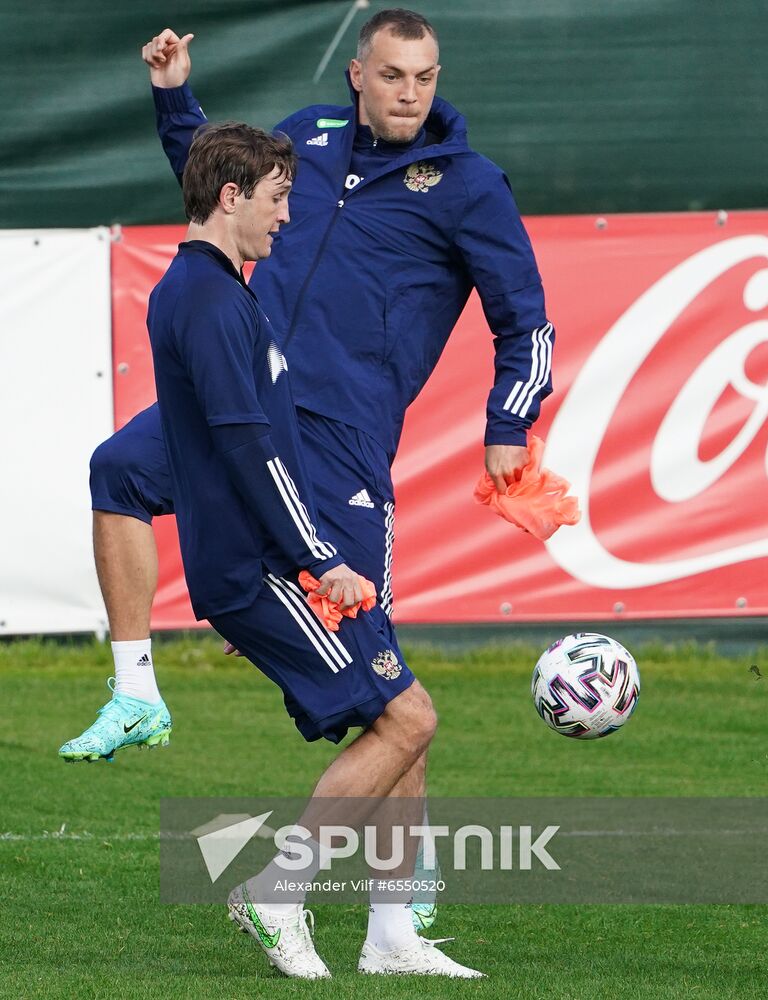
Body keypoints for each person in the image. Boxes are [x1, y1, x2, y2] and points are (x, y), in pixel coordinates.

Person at [61, 9, 552, 914]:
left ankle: (398, 910)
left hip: (338, 445)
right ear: (357, 74)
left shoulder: (469, 185)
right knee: (116, 471)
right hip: (239, 402)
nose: (411, 92)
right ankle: (135, 690)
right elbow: (224, 196)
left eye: (426, 77)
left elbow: (527, 321)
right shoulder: (310, 136)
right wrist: (175, 100)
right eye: (394, 74)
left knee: (386, 687)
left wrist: (508, 422)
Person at [144, 119, 482, 979]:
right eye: (278, 197)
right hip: (266, 565)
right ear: (231, 197)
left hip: (254, 563)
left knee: (400, 721)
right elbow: (247, 448)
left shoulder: (207, 288)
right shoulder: (213, 301)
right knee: (410, 717)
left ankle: (391, 936)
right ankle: (277, 891)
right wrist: (315, 559)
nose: (287, 218)